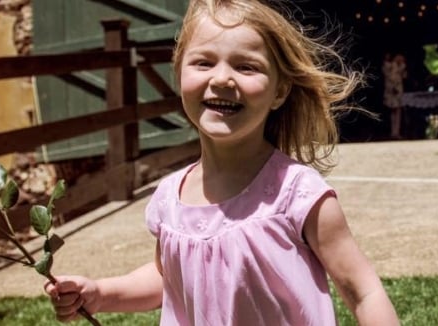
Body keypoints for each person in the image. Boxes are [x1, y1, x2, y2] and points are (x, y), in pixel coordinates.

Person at [45, 1, 399, 324]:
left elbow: (363, 291)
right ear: (180, 74)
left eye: (247, 67)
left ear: (279, 91)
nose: (222, 79)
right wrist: (101, 293)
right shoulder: (169, 199)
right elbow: (169, 276)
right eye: (203, 62)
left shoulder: (297, 195)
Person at [382, 51, 407, 139]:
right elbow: (392, 78)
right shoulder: (391, 66)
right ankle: (394, 131)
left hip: (398, 89)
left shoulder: (399, 66)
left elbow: (404, 76)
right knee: (393, 111)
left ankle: (396, 131)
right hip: (392, 90)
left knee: (397, 111)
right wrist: (394, 87)